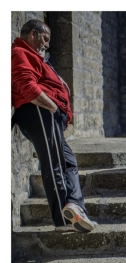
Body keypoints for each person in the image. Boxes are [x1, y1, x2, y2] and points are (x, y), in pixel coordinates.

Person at [11, 19, 96, 233]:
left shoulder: (35, 57)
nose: (47, 45)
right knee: (53, 164)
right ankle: (62, 221)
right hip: (38, 112)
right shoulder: (19, 53)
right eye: (45, 39)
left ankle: (75, 206)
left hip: (47, 115)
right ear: (32, 34)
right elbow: (26, 86)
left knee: (69, 161)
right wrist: (52, 107)